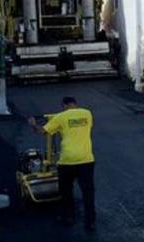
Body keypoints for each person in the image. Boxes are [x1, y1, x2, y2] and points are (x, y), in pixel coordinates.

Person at [29, 96, 96, 231]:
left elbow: (42, 131)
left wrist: (33, 124)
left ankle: (69, 217)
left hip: (67, 161)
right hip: (86, 159)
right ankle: (90, 222)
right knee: (88, 192)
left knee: (66, 190)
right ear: (75, 104)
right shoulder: (87, 114)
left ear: (64, 106)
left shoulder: (60, 117)